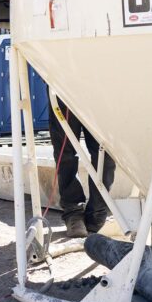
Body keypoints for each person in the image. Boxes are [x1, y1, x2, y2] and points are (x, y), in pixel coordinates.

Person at [49, 98, 116, 238]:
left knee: (106, 153)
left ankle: (97, 212)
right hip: (64, 83)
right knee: (65, 152)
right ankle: (73, 212)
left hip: (100, 85)